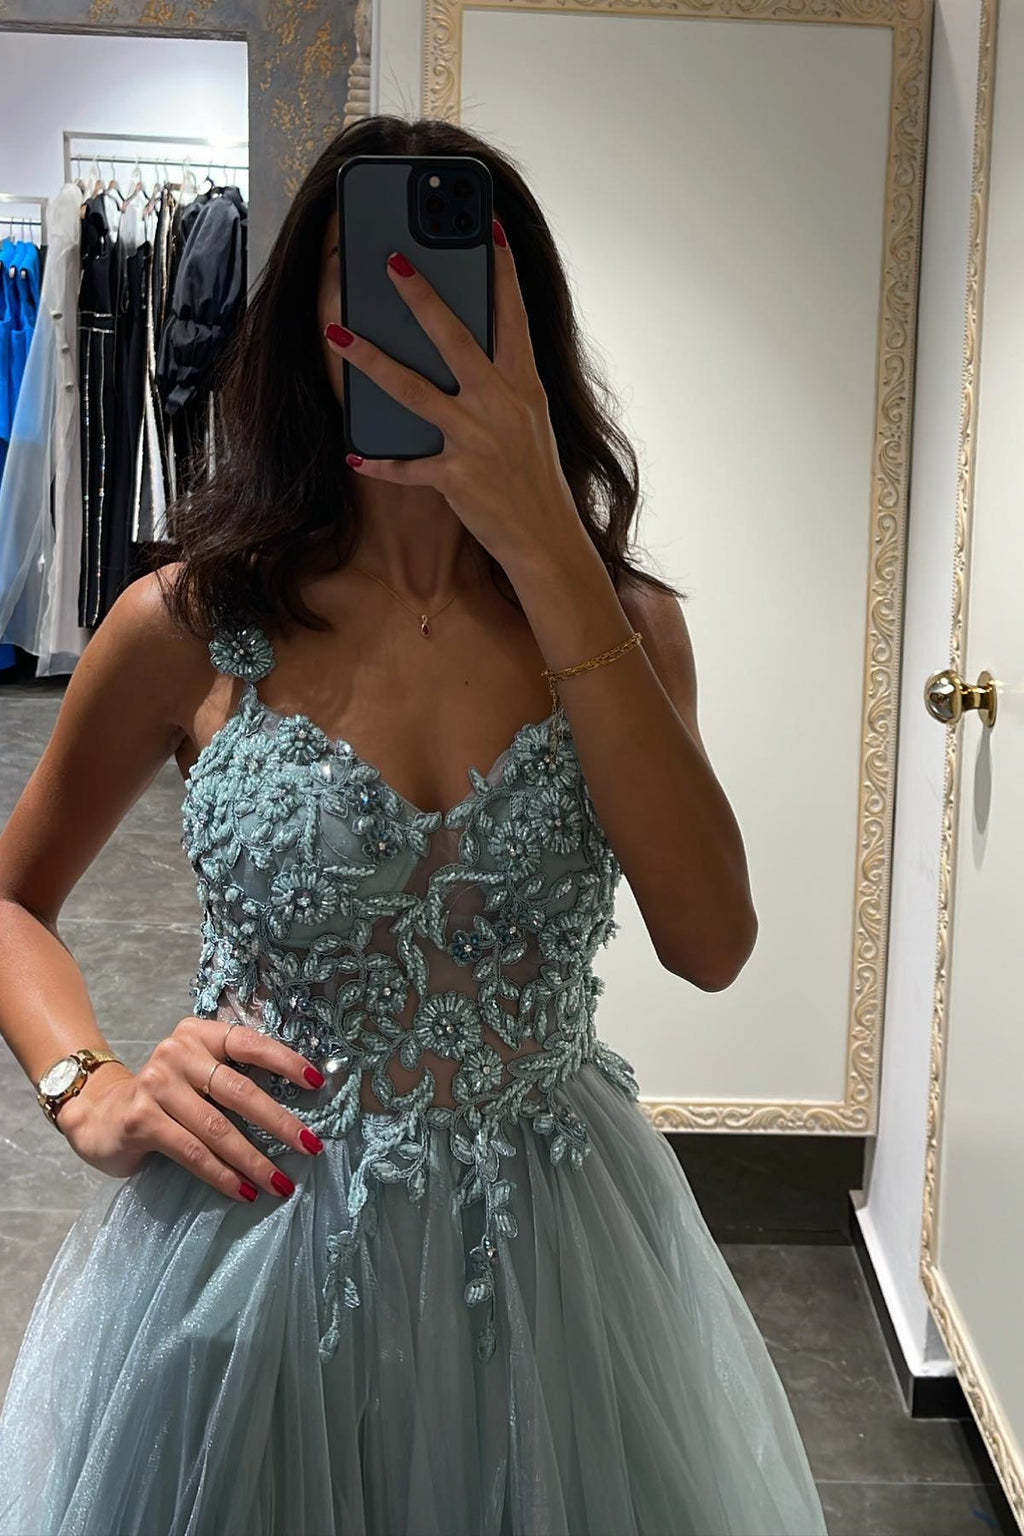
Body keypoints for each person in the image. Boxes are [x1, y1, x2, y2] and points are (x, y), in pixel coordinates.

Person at [0, 114, 829, 1536]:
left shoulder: (623, 628)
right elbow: (12, 898)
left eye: (457, 275)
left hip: (556, 1264)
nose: (412, 304)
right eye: (364, 270)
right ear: (305, 322)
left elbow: (712, 943)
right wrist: (90, 1085)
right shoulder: (189, 623)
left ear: (529, 328)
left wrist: (547, 543)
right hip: (255, 1246)